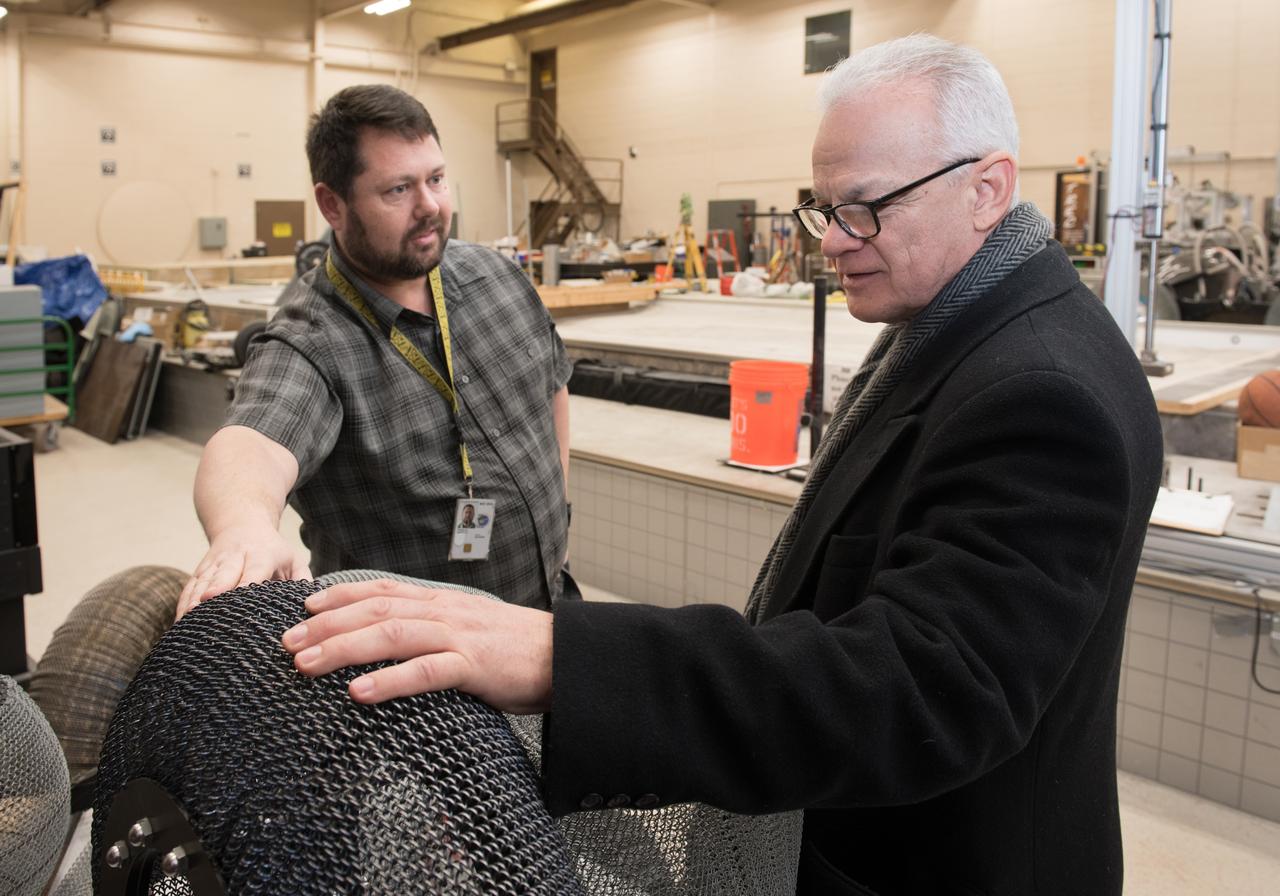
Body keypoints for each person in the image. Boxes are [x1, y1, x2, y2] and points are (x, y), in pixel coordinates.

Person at [281, 36, 1163, 896]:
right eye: (822, 209)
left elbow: (918, 689)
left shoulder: (1042, 393)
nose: (832, 240)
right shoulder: (957, 332)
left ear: (987, 188)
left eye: (862, 208)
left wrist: (564, 657)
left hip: (941, 861)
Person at [178, 84, 573, 618]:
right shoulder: (311, 340)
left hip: (549, 607)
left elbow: (553, 387)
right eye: (397, 190)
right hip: (416, 675)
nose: (430, 206)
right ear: (332, 205)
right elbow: (255, 443)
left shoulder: (498, 277)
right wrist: (243, 528)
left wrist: (557, 513)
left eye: (435, 178)